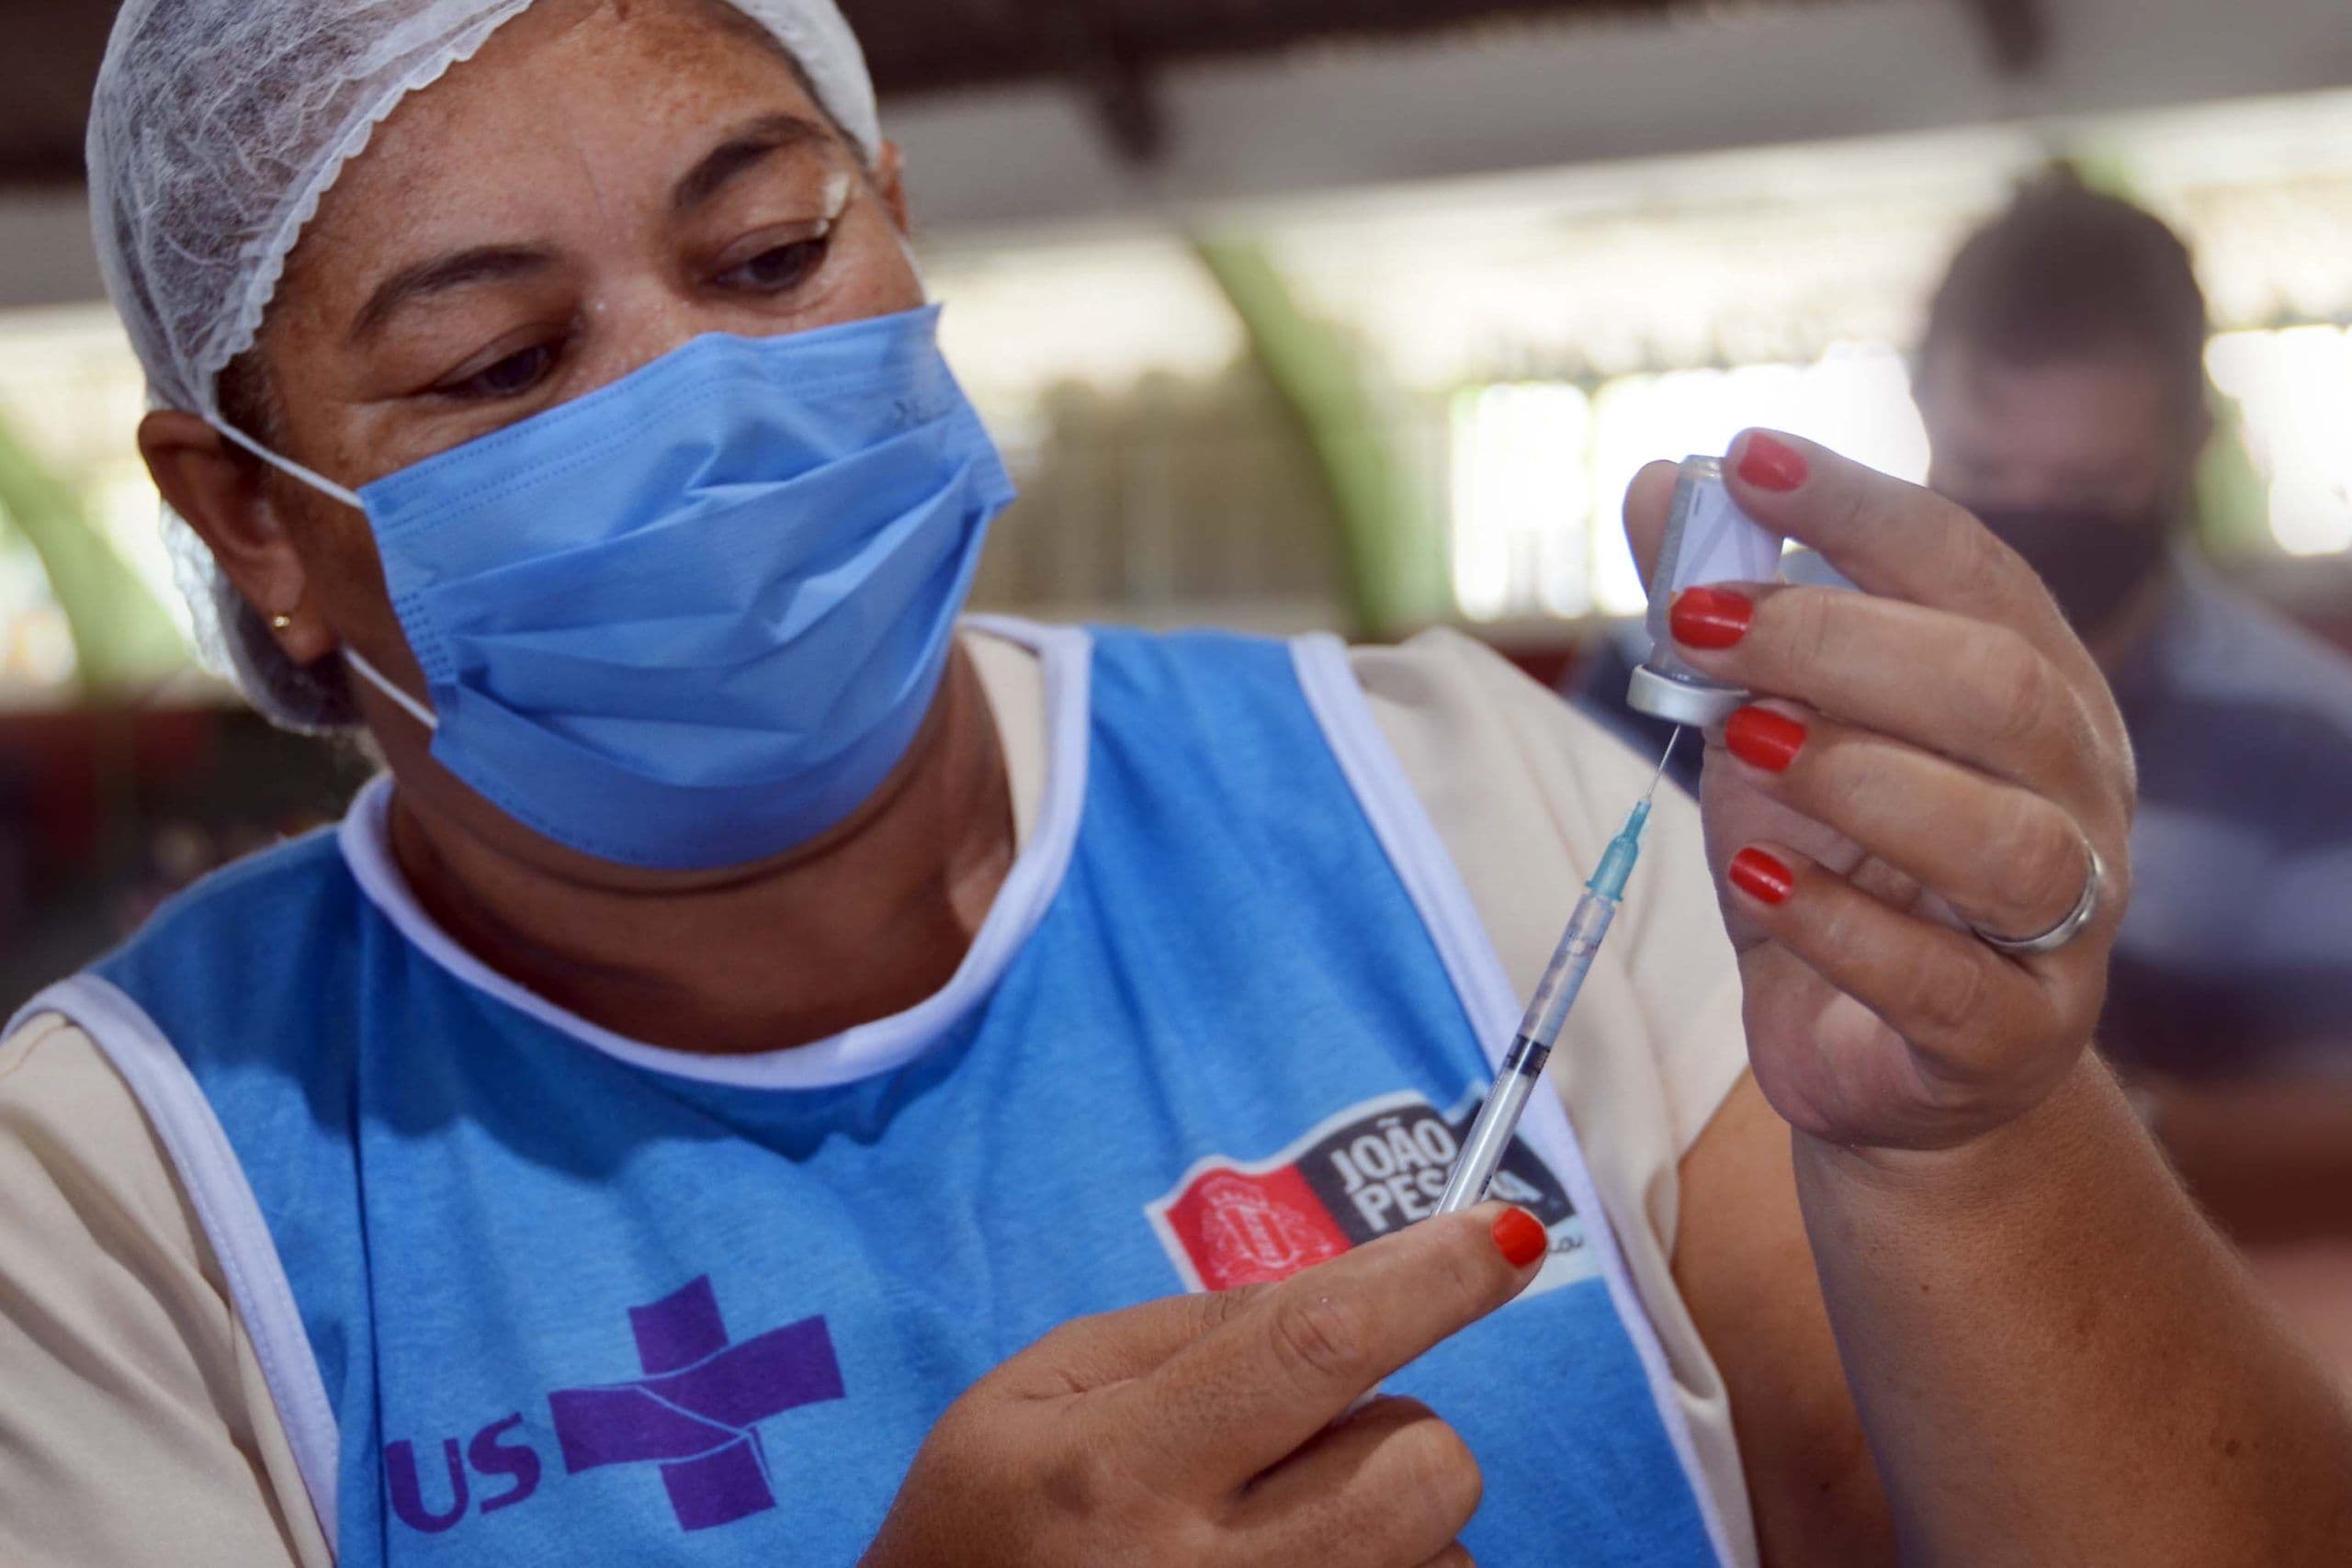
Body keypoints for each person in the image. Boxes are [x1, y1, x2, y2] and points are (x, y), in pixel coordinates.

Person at [1, 6, 2346, 1565]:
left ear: (899, 221)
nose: (702, 404)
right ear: (252, 519)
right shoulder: (127, 1196)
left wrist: (1968, 1128)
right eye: (504, 360)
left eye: (770, 247)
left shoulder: (1442, 802)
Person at [1582, 172, 2352, 1253]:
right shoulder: (1717, 657)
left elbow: (2327, 1127)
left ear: (2190, 445)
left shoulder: (2309, 736)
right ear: (1924, 411)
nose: (2031, 520)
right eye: (1989, 471)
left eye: (2086, 490)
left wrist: (2051, 1108)